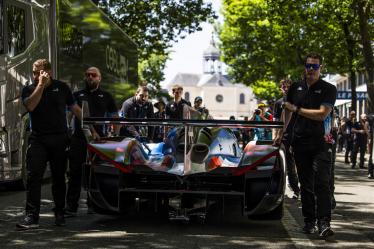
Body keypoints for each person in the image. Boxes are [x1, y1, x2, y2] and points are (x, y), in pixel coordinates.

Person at [17, 59, 82, 229]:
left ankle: (59, 212)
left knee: (59, 177)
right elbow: (30, 106)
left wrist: (93, 127)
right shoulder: (29, 89)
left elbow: (75, 109)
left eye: (39, 72)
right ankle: (31, 216)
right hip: (38, 139)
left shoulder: (62, 87)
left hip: (59, 138)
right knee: (33, 177)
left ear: (49, 72)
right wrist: (40, 85)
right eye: (33, 72)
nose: (35, 75)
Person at [283, 53, 337, 238]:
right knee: (306, 185)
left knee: (322, 182)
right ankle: (309, 222)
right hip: (299, 142)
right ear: (304, 67)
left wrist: (297, 109)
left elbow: (322, 114)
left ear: (321, 68)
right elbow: (287, 111)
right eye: (308, 66)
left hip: (321, 143)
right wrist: (282, 132)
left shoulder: (329, 88)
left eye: (315, 66)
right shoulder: (295, 87)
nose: (311, 69)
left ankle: (324, 223)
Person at [65, 67, 118, 216]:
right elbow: (69, 115)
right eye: (87, 75)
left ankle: (93, 205)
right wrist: (67, 132)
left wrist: (116, 135)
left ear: (99, 78)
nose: (90, 77)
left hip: (99, 140)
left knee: (95, 173)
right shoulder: (77, 95)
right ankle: (71, 207)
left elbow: (115, 117)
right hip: (78, 139)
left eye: (93, 75)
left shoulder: (106, 96)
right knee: (75, 172)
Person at [273, 78, 300, 199]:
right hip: (284, 137)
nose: (286, 88)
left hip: (298, 136)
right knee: (287, 164)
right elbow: (276, 122)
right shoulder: (278, 103)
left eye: (288, 86)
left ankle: (302, 189)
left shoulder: (298, 101)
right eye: (284, 86)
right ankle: (295, 189)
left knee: (300, 164)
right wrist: (276, 137)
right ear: (281, 88)